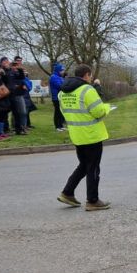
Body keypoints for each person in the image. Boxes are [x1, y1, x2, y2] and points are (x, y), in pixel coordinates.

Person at [56, 64, 111, 211]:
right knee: (93, 168)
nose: (91, 78)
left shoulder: (62, 92)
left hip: (76, 134)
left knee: (83, 166)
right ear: (86, 75)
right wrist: (107, 108)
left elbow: (63, 111)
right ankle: (92, 200)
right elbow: (98, 111)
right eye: (90, 75)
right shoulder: (87, 89)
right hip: (91, 135)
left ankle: (67, 192)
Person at [50, 63, 66, 131]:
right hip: (56, 97)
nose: (63, 72)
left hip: (61, 97)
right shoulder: (53, 77)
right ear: (58, 70)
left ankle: (61, 125)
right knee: (57, 112)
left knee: (61, 112)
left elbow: (64, 84)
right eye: (61, 70)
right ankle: (57, 126)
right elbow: (60, 86)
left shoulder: (60, 77)